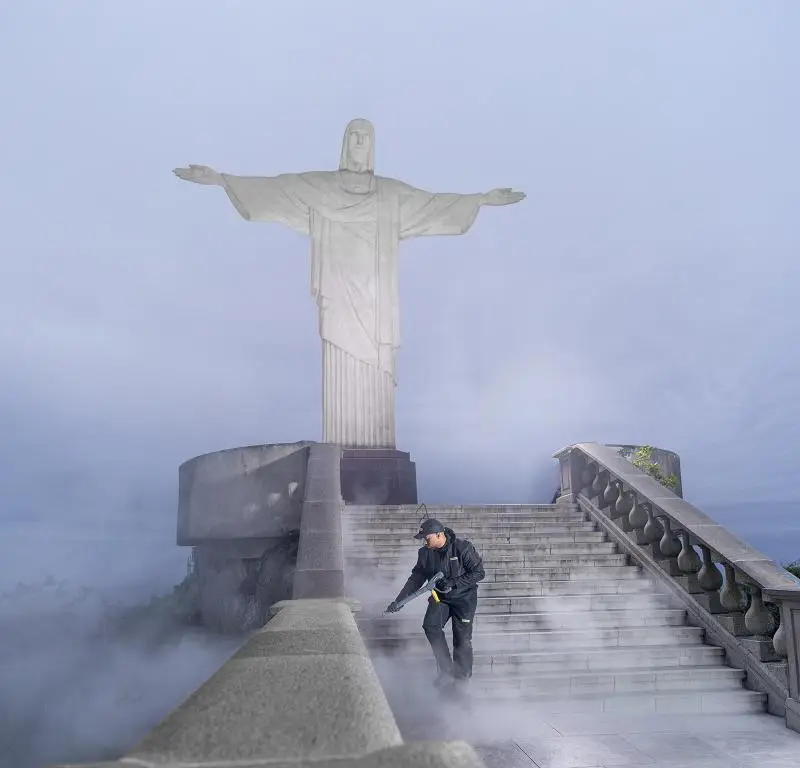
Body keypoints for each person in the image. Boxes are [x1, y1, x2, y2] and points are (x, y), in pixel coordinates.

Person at [386, 518, 485, 689]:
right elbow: (416, 578)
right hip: (441, 598)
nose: (425, 541)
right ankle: (446, 670)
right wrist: (399, 600)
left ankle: (462, 680)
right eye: (423, 539)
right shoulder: (425, 553)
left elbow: (479, 573)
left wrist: (454, 582)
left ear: (440, 535)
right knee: (430, 626)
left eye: (427, 538)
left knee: (462, 639)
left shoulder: (462, 547)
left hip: (464, 599)